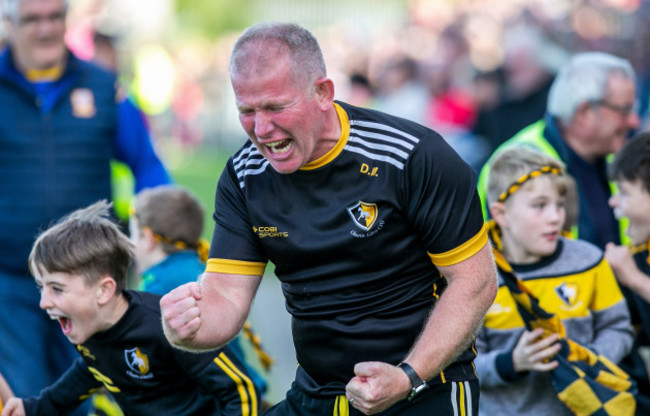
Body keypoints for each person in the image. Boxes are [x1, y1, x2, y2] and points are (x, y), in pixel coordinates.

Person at [160, 22, 497, 416]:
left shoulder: (411, 157)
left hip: (424, 389)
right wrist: (188, 328)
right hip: (318, 394)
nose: (261, 129)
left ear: (323, 92)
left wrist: (408, 375)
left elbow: (475, 280)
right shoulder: (244, 176)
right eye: (247, 111)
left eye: (275, 107)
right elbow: (226, 296)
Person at [0, 0, 171, 405]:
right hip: (11, 281)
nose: (45, 29)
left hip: (87, 282)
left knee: (81, 391)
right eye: (32, 19)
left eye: (54, 17)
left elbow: (147, 167)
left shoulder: (104, 86)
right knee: (25, 394)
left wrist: (167, 239)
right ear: (10, 22)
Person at [1, 201, 260, 416]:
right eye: (41, 287)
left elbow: (241, 389)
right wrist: (31, 408)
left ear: (103, 290)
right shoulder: (92, 331)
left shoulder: (166, 326)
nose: (43, 302)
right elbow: (84, 376)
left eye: (56, 288)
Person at [476, 146, 634, 415]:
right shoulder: (477, 276)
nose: (555, 217)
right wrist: (511, 362)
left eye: (559, 205)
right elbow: (461, 364)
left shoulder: (588, 260)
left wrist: (587, 358)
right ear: (501, 214)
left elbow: (618, 328)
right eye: (540, 206)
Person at [477, 52, 641, 250]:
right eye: (624, 110)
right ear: (585, 113)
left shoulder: (619, 153)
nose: (634, 121)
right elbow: (510, 269)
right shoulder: (517, 164)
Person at [130, 184, 272, 406]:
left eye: (134, 236)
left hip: (225, 402)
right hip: (248, 391)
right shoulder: (201, 268)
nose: (131, 245)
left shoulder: (158, 286)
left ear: (148, 238)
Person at [604, 132, 650, 414]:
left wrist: (634, 278)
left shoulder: (633, 270)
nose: (613, 202)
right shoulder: (637, 257)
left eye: (623, 192)